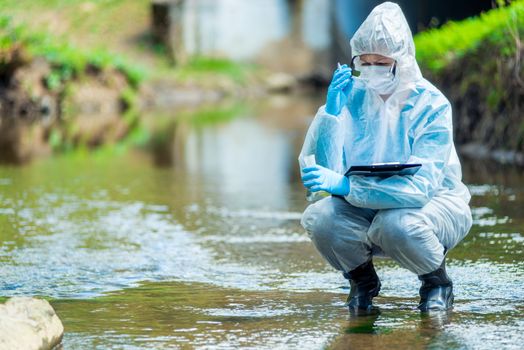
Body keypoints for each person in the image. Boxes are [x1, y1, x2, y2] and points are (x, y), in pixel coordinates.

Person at [298, 2, 472, 314]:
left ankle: (436, 281)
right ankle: (362, 281)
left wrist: (349, 186)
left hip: (428, 205)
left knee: (395, 224)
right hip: (363, 206)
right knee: (321, 217)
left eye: (382, 62)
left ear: (402, 60)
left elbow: (421, 189)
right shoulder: (350, 97)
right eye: (365, 62)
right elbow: (319, 177)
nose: (372, 69)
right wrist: (331, 115)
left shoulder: (431, 105)